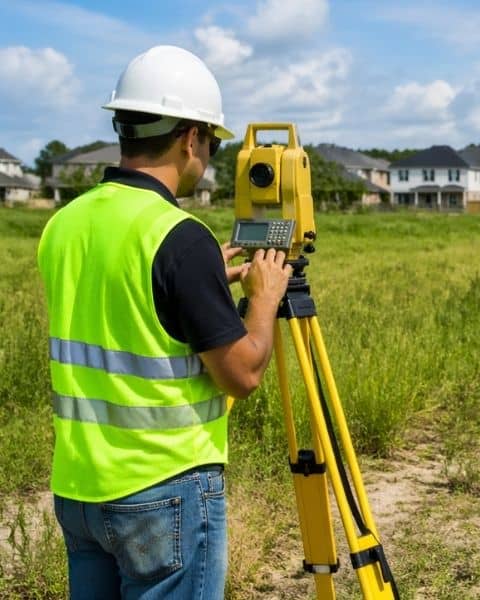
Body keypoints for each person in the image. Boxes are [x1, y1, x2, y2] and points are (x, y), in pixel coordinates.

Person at [37, 45, 291, 599]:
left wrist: (195, 282)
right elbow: (242, 374)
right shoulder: (179, 237)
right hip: (162, 491)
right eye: (213, 143)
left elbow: (123, 300)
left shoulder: (64, 223)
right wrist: (264, 299)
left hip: (79, 490)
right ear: (190, 137)